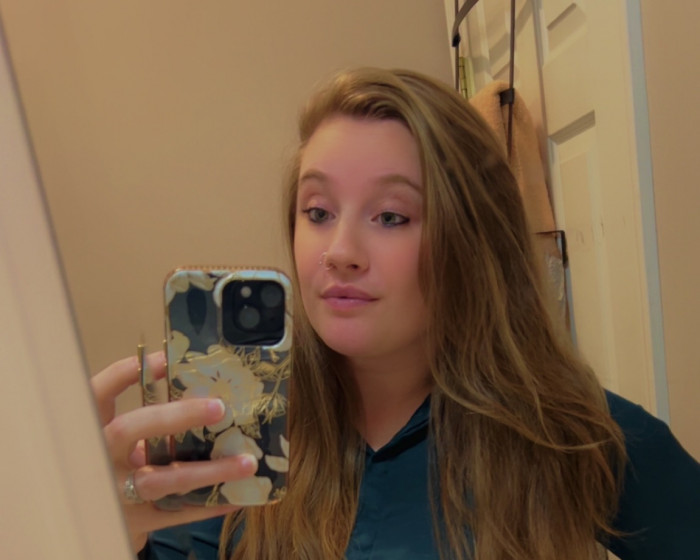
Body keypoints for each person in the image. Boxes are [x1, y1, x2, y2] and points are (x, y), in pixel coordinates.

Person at [92, 67, 700, 560]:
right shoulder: (239, 431)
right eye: (318, 211)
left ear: (472, 240)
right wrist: (106, 532)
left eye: (390, 216)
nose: (340, 252)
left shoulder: (571, 433)